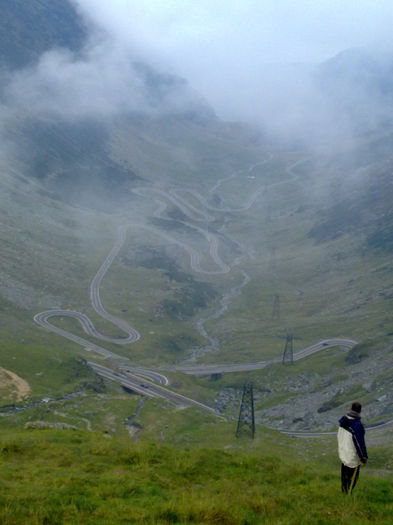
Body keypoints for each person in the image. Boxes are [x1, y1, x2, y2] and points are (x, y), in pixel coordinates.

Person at [337, 401, 368, 494]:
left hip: (343, 453)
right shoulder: (357, 425)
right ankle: (348, 496)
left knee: (344, 476)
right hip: (352, 456)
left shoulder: (343, 421)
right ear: (360, 411)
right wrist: (363, 457)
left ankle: (344, 492)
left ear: (350, 409)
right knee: (352, 479)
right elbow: (359, 444)